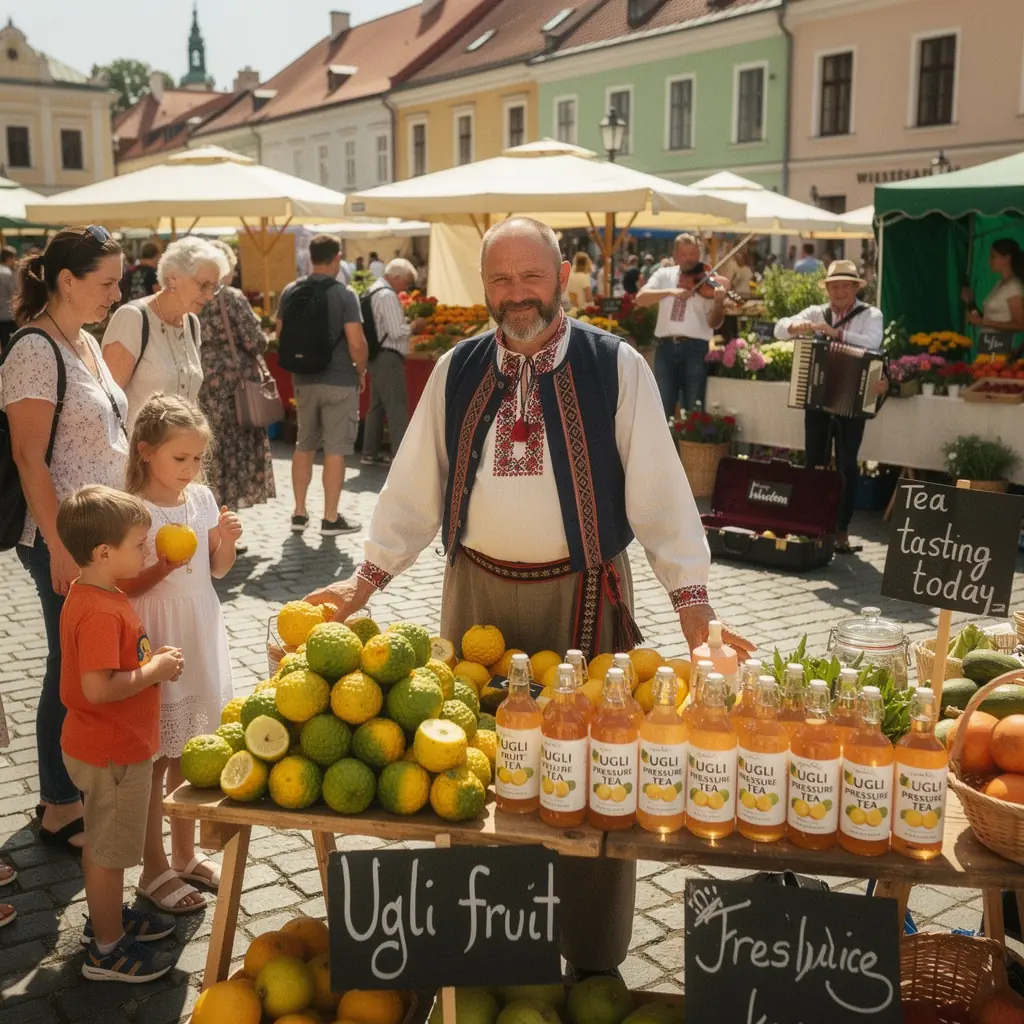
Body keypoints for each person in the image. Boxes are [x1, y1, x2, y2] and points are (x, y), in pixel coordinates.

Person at [303, 215, 751, 980]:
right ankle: (487, 948)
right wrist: (363, 579)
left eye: (531, 277)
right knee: (470, 767)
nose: (518, 295)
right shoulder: (457, 367)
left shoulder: (616, 366)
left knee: (595, 776)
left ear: (562, 277)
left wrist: (694, 608)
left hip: (583, 599)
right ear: (483, 288)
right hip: (475, 597)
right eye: (501, 280)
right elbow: (414, 486)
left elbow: (660, 497)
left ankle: (592, 955)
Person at [1, 225, 128, 852]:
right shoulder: (34, 349)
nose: (116, 292)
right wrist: (58, 546)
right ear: (67, 281)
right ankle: (57, 803)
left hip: (95, 538)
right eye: (106, 282)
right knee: (68, 667)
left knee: (82, 661)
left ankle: (70, 790)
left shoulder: (85, 342)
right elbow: (30, 459)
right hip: (61, 539)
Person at [55, 485, 183, 981]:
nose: (146, 550)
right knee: (108, 853)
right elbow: (98, 688)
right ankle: (107, 950)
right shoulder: (101, 610)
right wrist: (155, 670)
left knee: (103, 845)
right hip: (111, 751)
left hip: (103, 746)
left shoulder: (95, 593)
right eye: (138, 544)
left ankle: (107, 919)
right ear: (103, 553)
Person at [121, 395, 240, 910]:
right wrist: (164, 566)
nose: (190, 470)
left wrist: (227, 540)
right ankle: (153, 868)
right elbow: (125, 587)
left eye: (196, 459)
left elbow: (217, 570)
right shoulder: (132, 509)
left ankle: (185, 855)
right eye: (180, 459)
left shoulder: (202, 499)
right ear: (146, 452)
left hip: (200, 628)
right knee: (154, 759)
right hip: (157, 636)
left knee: (190, 753)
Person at [774, 259, 885, 554]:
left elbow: (874, 343)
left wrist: (838, 334)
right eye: (834, 286)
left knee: (848, 466)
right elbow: (778, 329)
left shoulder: (870, 314)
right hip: (818, 398)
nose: (839, 291)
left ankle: (842, 530)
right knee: (814, 461)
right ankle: (815, 526)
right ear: (827, 289)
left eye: (845, 286)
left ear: (854, 288)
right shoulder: (816, 313)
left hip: (853, 401)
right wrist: (796, 326)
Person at [277, 234, 368, 535]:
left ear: (310, 257)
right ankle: (330, 518)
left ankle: (299, 513)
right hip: (339, 381)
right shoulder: (344, 294)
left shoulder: (291, 290)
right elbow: (356, 341)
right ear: (337, 258)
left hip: (303, 379)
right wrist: (361, 369)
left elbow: (280, 336)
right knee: (335, 450)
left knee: (304, 446)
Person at [102, 237, 229, 430]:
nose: (210, 295)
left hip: (178, 453)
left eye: (214, 287)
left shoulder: (192, 323)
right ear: (172, 279)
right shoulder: (133, 318)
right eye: (203, 285)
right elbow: (106, 403)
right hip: (136, 453)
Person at [197, 239, 276, 511]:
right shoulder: (230, 297)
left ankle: (208, 516)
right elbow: (256, 341)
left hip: (201, 380)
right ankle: (225, 520)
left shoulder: (192, 294)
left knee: (209, 453)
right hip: (233, 389)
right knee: (232, 454)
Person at [635, 233, 727, 418]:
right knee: (662, 405)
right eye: (684, 254)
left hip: (696, 348)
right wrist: (671, 292)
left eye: (693, 253)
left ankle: (690, 447)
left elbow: (714, 323)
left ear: (699, 254)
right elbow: (640, 299)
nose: (689, 258)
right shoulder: (664, 274)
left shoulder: (707, 280)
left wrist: (718, 304)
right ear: (675, 256)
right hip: (665, 346)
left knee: (694, 405)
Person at [361, 258, 424, 466]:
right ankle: (401, 457)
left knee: (376, 407)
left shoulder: (372, 291)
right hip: (388, 356)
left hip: (376, 355)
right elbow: (396, 331)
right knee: (397, 406)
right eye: (405, 283)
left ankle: (369, 452)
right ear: (395, 277)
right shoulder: (387, 295)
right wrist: (414, 326)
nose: (405, 288)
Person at [962, 238, 1024, 355]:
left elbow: (1021, 324)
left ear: (1006, 259)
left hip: (1001, 348)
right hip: (988, 346)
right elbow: (987, 318)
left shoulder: (1014, 287)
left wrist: (983, 322)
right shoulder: (999, 284)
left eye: (993, 257)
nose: (989, 261)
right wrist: (970, 302)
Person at [117, 241, 161, 307]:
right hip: (145, 311)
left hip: (127, 308)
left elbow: (121, 292)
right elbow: (158, 296)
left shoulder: (130, 271)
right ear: (156, 256)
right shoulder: (152, 272)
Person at [0, 246, 17, 353]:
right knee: (8, 347)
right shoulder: (8, 273)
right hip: (7, 315)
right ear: (10, 258)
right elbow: (14, 293)